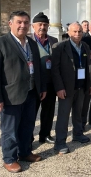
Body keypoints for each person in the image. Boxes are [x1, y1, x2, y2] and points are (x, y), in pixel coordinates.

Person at [0, 11, 46, 173]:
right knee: (10, 130)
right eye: (19, 22)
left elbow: (38, 69)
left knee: (27, 126)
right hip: (10, 96)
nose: (23, 25)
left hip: (31, 93)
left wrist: (41, 89)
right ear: (10, 24)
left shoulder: (32, 43)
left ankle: (25, 152)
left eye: (26, 22)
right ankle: (9, 158)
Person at [51, 23, 91, 154]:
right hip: (66, 88)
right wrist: (59, 88)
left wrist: (89, 84)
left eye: (80, 31)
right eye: (74, 31)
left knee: (78, 112)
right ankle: (60, 142)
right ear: (68, 32)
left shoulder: (85, 46)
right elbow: (55, 70)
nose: (77, 34)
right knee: (63, 116)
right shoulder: (60, 47)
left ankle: (78, 134)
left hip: (81, 86)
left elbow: (88, 68)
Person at [29, 12, 59, 145]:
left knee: (48, 111)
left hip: (50, 82)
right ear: (33, 26)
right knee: (31, 112)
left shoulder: (54, 41)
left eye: (45, 24)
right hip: (34, 83)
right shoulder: (28, 41)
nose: (42, 27)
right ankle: (28, 137)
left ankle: (45, 134)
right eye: (40, 24)